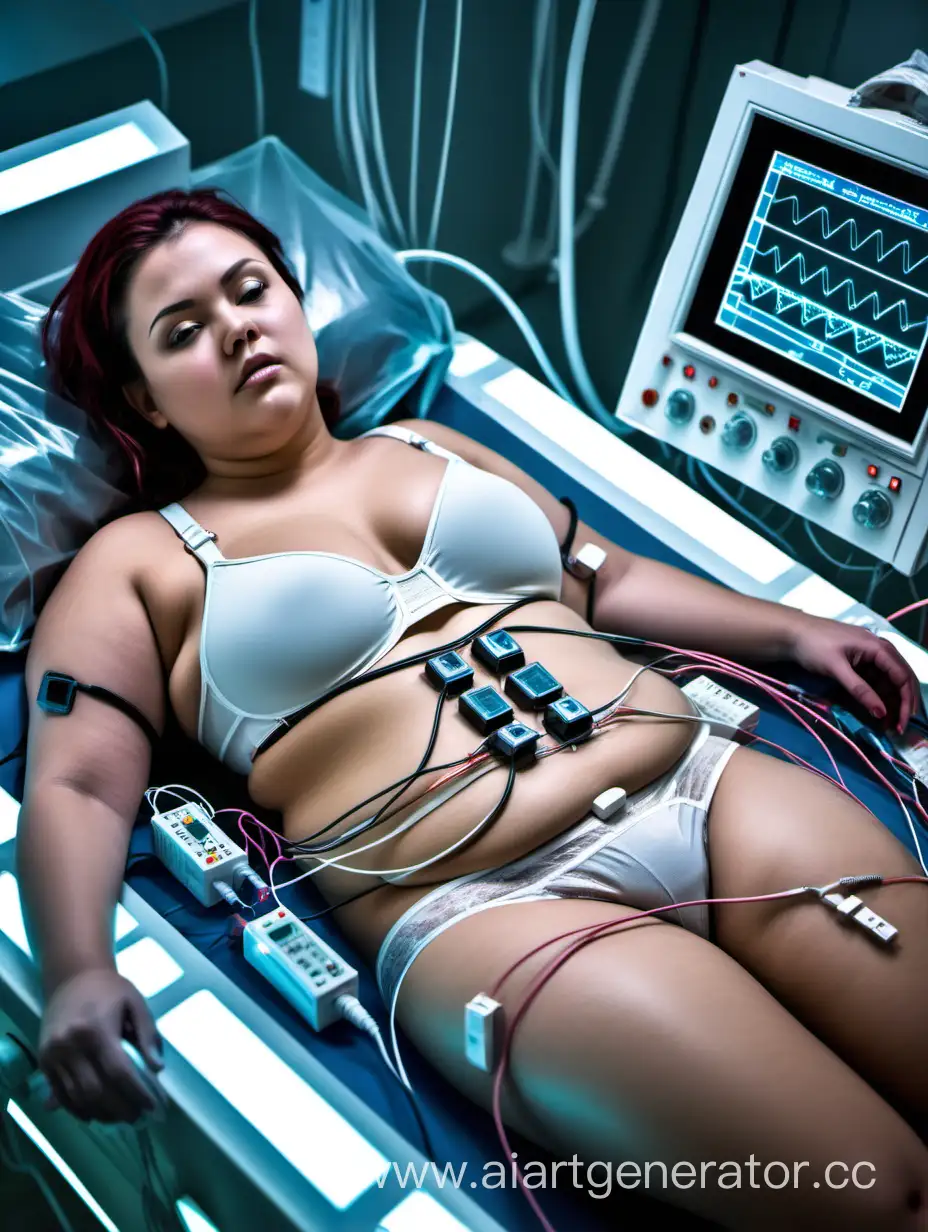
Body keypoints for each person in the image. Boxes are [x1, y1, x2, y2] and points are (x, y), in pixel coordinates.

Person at [17, 188, 928, 1231]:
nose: (235, 328)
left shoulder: (427, 443)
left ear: (297, 304)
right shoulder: (135, 560)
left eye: (250, 290)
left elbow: (606, 577)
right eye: (183, 331)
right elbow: (77, 783)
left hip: (706, 785)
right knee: (882, 1200)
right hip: (489, 908)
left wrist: (791, 631)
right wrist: (76, 969)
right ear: (144, 402)